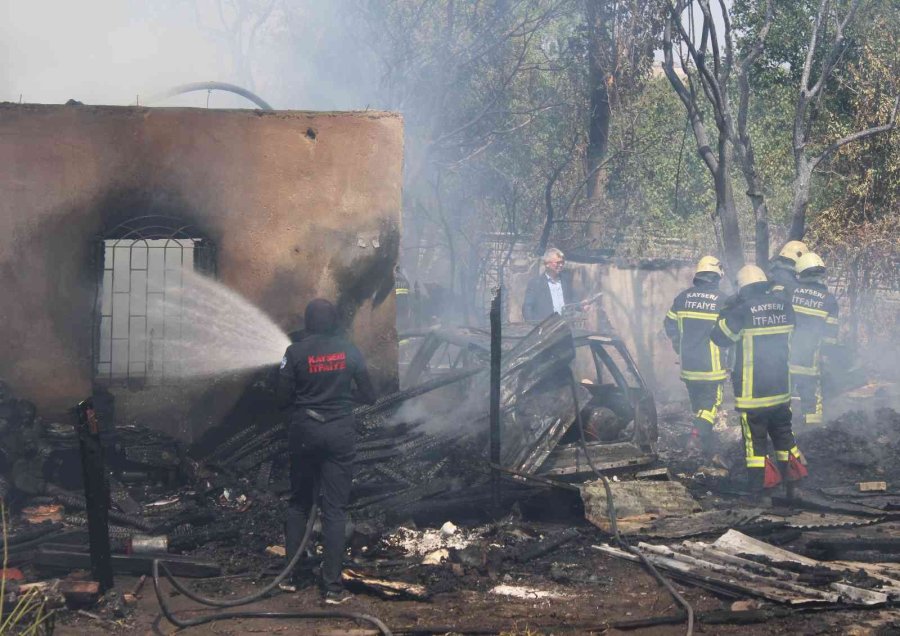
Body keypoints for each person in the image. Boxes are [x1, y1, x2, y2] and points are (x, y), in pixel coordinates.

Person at [277, 298, 376, 604]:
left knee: (299, 504)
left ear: (307, 323)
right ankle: (332, 588)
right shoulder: (350, 351)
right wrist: (342, 400)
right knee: (334, 510)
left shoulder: (294, 352)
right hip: (339, 434)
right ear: (335, 323)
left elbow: (282, 399)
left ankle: (291, 578)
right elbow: (370, 396)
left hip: (304, 433)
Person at [710, 265, 807, 501]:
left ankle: (763, 491)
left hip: (753, 393)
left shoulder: (741, 310)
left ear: (742, 288)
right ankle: (794, 486)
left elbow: (719, 337)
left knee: (755, 444)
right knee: (784, 437)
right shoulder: (785, 306)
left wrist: (727, 310)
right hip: (781, 390)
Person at [663, 256, 728, 454]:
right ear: (717, 277)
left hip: (689, 366)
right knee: (711, 405)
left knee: (698, 406)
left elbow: (669, 324)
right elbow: (730, 332)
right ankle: (695, 439)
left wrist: (678, 346)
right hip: (712, 369)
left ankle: (703, 443)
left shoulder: (683, 298)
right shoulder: (723, 301)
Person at [790, 252, 839, 427]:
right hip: (811, 362)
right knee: (811, 401)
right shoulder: (829, 300)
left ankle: (784, 435)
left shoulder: (791, 292)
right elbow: (830, 338)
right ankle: (813, 434)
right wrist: (826, 359)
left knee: (782, 399)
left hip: (785, 359)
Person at [522, 248, 579, 321]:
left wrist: (580, 306)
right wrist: (535, 326)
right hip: (546, 329)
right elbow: (527, 308)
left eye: (562, 262)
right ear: (547, 264)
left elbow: (573, 301)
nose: (561, 265)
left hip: (565, 326)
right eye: (558, 263)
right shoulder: (535, 283)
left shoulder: (566, 281)